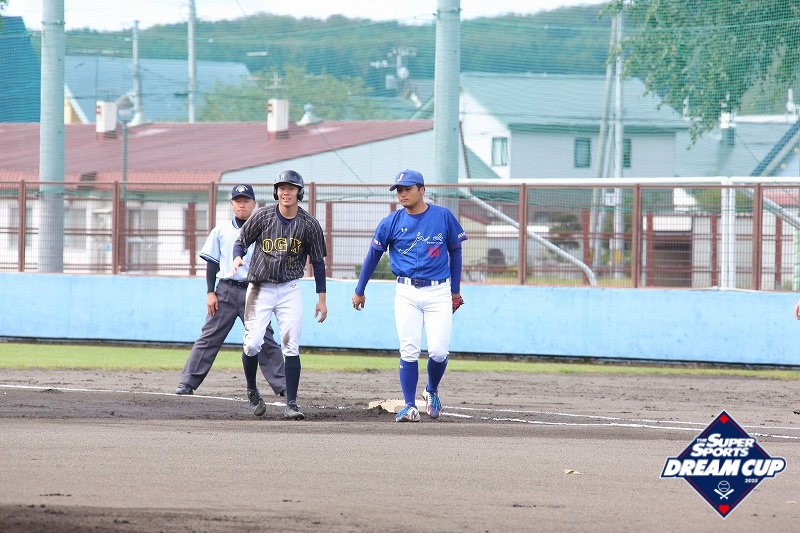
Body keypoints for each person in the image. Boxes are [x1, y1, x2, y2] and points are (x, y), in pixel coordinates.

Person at [352, 169, 467, 422]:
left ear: (422, 190)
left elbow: (456, 251)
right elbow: (373, 256)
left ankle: (431, 390)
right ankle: (409, 406)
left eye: (407, 189)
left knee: (439, 351)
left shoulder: (443, 216)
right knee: (409, 349)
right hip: (406, 291)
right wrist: (360, 290)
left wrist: (455, 291)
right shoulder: (390, 222)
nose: (402, 194)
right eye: (399, 190)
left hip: (439, 290)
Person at [175, 184, 286, 416]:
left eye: (246, 201)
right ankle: (187, 382)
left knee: (264, 338)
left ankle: (283, 384)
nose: (242, 205)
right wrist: (210, 292)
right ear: (232, 204)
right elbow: (212, 263)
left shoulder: (266, 229)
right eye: (238, 201)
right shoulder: (221, 230)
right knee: (209, 336)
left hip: (255, 290)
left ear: (254, 204)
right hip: (225, 290)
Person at [231, 170, 328, 420]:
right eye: (282, 188)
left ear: (299, 192)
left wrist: (321, 298)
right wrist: (237, 257)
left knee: (291, 344)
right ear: (276, 192)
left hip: (289, 288)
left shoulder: (309, 224)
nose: (286, 192)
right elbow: (241, 241)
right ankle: (252, 391)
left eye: (291, 188)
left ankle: (291, 403)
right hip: (260, 287)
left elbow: (318, 262)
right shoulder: (263, 216)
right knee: (252, 343)